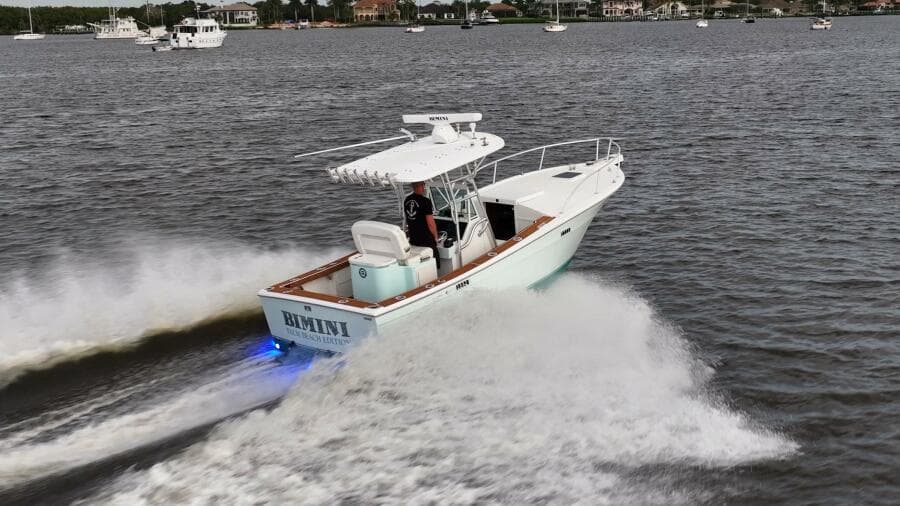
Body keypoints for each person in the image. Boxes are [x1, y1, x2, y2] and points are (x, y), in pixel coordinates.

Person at [404, 181, 440, 269]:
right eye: (423, 185)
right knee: (436, 258)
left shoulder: (407, 200)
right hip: (426, 240)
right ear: (420, 186)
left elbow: (409, 219)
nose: (424, 187)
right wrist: (436, 238)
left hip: (413, 239)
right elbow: (431, 224)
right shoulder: (425, 201)